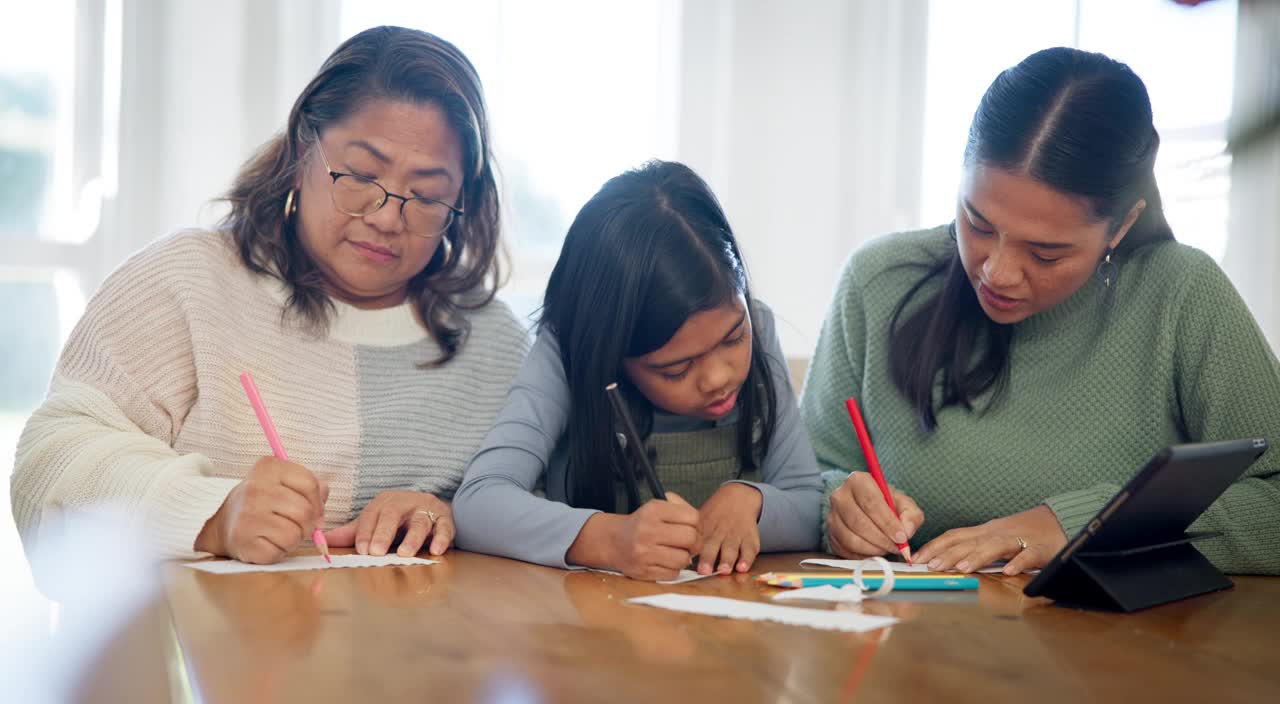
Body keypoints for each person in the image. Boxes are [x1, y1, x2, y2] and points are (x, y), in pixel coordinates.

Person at [10, 26, 528, 564]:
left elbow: (554, 505)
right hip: (194, 646)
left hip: (411, 645)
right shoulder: (188, 282)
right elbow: (47, 464)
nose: (386, 217)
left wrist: (455, 515)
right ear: (303, 150)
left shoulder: (496, 345)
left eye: (427, 196)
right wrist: (213, 513)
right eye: (360, 175)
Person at [802, 47, 1280, 575]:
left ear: (1120, 227)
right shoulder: (879, 280)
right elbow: (806, 478)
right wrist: (836, 510)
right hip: (908, 639)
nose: (997, 271)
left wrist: (1079, 524)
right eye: (977, 223)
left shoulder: (1181, 293)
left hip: (1117, 652)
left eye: (1046, 252)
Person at [453, 161, 822, 581]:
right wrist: (609, 538)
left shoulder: (759, 322)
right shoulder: (568, 349)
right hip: (592, 625)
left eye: (734, 338)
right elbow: (480, 502)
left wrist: (753, 502)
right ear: (611, 355)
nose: (718, 377)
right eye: (676, 368)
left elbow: (811, 503)